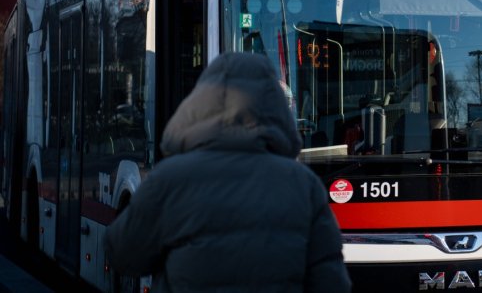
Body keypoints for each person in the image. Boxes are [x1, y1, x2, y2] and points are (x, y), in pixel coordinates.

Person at [104, 52, 352, 292]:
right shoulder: (303, 184)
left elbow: (123, 254)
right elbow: (330, 281)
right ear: (275, 107)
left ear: (198, 105)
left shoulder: (170, 179)